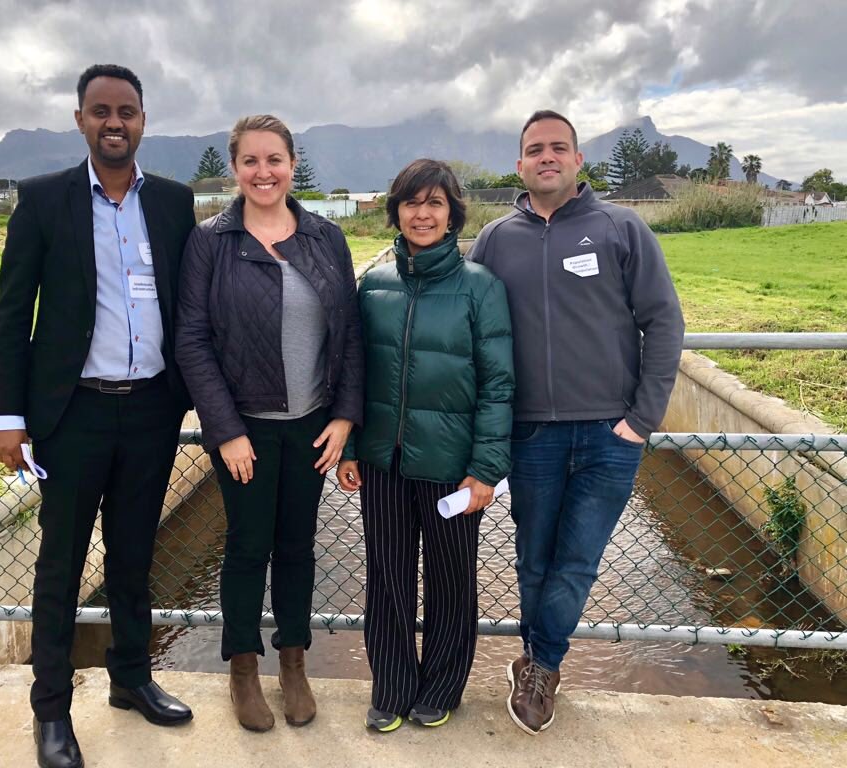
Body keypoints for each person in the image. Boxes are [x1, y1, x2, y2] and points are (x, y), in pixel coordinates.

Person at [0, 64, 196, 768]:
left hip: (151, 410)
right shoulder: (44, 200)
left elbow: (189, 305)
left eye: (126, 111)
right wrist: (8, 414)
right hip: (72, 415)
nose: (114, 122)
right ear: (80, 119)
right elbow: (13, 314)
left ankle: (131, 677)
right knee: (62, 564)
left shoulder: (172, 202)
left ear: (143, 121)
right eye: (101, 110)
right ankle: (51, 710)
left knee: (135, 556)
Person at [468, 110, 685, 736]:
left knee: (578, 561)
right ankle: (537, 661)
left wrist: (641, 420)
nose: (547, 157)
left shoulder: (622, 228)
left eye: (558, 147)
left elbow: (664, 322)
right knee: (534, 560)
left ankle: (541, 666)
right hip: (530, 434)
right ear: (519, 165)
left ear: (577, 159)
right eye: (535, 149)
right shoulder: (495, 239)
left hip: (609, 435)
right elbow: (471, 328)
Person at [175, 114, 364, 732]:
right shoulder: (211, 241)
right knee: (246, 548)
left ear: (292, 165)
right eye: (251, 161)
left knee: (297, 548)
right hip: (245, 430)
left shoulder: (325, 238)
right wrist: (226, 430)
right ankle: (242, 668)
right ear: (235, 169)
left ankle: (293, 662)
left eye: (274, 159)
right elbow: (192, 341)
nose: (264, 172)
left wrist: (345, 417)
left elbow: (349, 335)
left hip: (311, 426)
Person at [336, 159, 514, 732]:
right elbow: (355, 374)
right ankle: (391, 687)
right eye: (412, 202)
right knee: (387, 578)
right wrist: (351, 448)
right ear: (396, 211)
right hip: (382, 462)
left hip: (452, 469)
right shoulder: (375, 285)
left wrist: (486, 468)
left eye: (435, 203)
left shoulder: (480, 288)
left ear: (453, 214)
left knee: (450, 581)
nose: (422, 214)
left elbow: (498, 386)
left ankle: (440, 687)